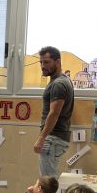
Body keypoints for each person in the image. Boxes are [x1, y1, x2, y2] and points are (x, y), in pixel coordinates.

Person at [34, 46, 74, 177]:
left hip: (53, 138)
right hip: (56, 137)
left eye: (46, 62)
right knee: (49, 180)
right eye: (41, 62)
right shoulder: (63, 80)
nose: (42, 66)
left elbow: (54, 113)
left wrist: (41, 138)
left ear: (57, 61)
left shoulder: (58, 84)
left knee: (48, 181)